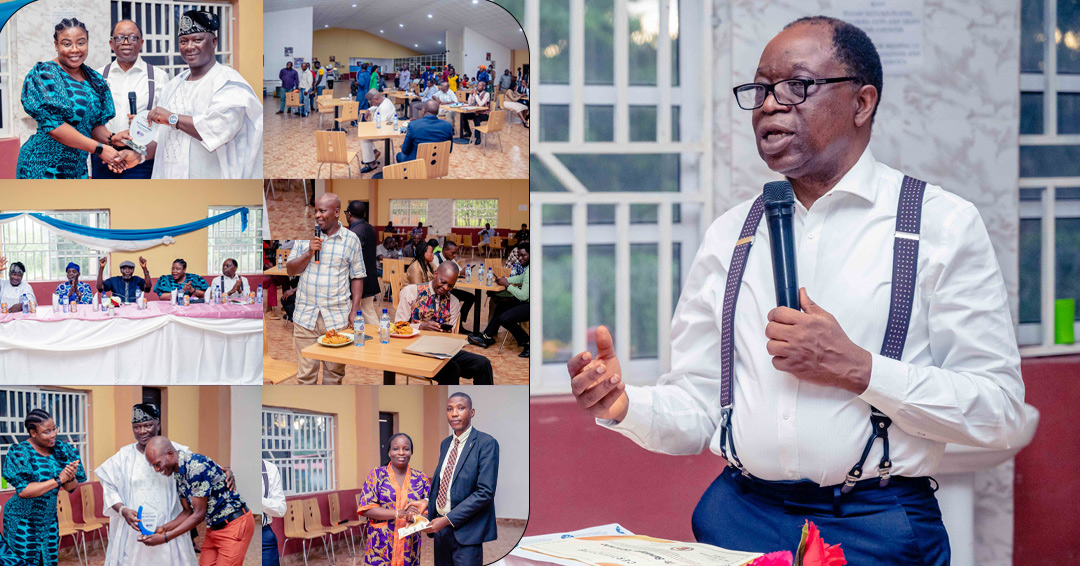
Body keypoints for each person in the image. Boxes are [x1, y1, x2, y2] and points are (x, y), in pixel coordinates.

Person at [566, 17, 1026, 566]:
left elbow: (997, 410)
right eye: (759, 90)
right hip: (737, 517)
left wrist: (859, 368)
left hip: (876, 527)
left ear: (862, 102)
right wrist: (626, 405)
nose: (768, 105)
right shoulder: (731, 235)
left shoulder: (940, 225)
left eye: (796, 87)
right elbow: (698, 407)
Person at [140, 10, 262, 179]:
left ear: (214, 42)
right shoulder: (173, 85)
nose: (189, 47)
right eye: (183, 41)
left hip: (212, 183)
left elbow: (218, 129)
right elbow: (161, 137)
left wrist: (172, 118)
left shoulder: (229, 82)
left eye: (197, 40)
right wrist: (138, 156)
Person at [95, 404, 199, 566]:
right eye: (137, 427)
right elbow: (109, 488)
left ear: (158, 424)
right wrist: (123, 510)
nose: (142, 431)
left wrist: (226, 471)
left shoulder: (176, 451)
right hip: (134, 530)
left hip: (169, 525)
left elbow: (202, 468)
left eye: (147, 425)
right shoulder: (123, 457)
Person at [17, 18, 122, 178]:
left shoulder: (94, 79)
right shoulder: (46, 74)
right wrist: (99, 149)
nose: (75, 49)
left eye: (81, 43)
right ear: (56, 45)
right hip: (43, 167)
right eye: (66, 44)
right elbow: (55, 127)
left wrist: (111, 139)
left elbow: (91, 125)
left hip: (76, 168)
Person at [286, 194, 366, 385]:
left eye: (322, 211)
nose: (317, 215)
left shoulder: (351, 239)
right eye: (315, 211)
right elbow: (290, 270)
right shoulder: (306, 236)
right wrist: (309, 252)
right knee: (306, 376)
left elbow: (357, 276)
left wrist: (354, 311)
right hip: (306, 318)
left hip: (337, 318)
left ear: (337, 212)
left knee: (334, 375)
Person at [141, 437, 254, 566]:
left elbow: (199, 514)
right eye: (153, 466)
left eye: (157, 464)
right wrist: (162, 529)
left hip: (233, 525)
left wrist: (165, 538)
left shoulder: (195, 467)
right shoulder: (178, 474)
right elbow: (188, 512)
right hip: (213, 528)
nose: (156, 470)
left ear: (170, 454)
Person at [2, 409, 86, 566]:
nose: (53, 434)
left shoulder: (62, 450)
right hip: (22, 519)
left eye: (54, 428)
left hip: (48, 519)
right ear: (33, 432)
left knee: (47, 561)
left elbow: (71, 488)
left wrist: (70, 475)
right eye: (46, 432)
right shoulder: (20, 452)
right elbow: (24, 491)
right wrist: (59, 479)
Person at [426, 393, 499, 565]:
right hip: (441, 532)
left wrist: (447, 519)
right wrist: (427, 503)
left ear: (472, 412)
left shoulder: (486, 443)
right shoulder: (445, 444)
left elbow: (485, 492)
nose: (454, 413)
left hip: (467, 532)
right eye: (450, 409)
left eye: (461, 408)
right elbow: (445, 483)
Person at [94, 20, 169, 179]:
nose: (126, 42)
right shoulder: (97, 77)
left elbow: (166, 126)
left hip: (142, 159)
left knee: (139, 203)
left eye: (133, 38)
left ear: (141, 42)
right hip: (104, 155)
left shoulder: (158, 77)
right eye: (120, 38)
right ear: (111, 43)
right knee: (103, 202)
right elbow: (90, 122)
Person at [395, 263, 494, 385]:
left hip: (441, 350)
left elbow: (451, 334)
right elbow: (398, 326)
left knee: (483, 364)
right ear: (435, 273)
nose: (446, 288)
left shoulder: (453, 302)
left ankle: (485, 401)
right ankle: (447, 402)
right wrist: (421, 326)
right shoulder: (411, 292)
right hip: (413, 350)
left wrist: (448, 334)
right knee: (452, 369)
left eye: (451, 286)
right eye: (443, 282)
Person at [358, 433, 431, 566]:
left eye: (406, 449)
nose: (401, 453)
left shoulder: (420, 478)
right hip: (381, 546)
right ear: (389, 452)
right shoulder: (376, 475)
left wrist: (416, 516)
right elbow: (367, 508)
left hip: (410, 546)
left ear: (411, 452)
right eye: (396, 448)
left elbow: (430, 509)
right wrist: (397, 513)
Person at [469, 242, 529, 357]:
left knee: (504, 319)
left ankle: (526, 341)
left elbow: (523, 296)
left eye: (524, 256)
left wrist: (507, 285)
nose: (520, 258)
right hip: (526, 302)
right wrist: (506, 279)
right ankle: (487, 336)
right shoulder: (528, 268)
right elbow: (520, 278)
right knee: (502, 305)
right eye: (519, 256)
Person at [346, 200, 380, 327]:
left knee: (352, 312)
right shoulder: (370, 227)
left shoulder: (354, 232)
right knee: (368, 312)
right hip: (370, 278)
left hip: (359, 280)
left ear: (349, 214)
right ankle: (379, 334)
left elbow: (352, 259)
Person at [359, 89, 398, 175]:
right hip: (381, 128)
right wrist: (369, 110)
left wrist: (368, 128)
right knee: (364, 134)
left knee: (364, 138)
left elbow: (379, 125)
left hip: (386, 131)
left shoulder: (385, 107)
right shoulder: (383, 100)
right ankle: (373, 154)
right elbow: (376, 107)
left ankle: (372, 164)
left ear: (376, 99)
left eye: (370, 101)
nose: (370, 103)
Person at [260, 460, 285, 566]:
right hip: (235, 534)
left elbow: (281, 509)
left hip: (263, 536)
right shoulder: (233, 469)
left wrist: (258, 499)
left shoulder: (269, 469)